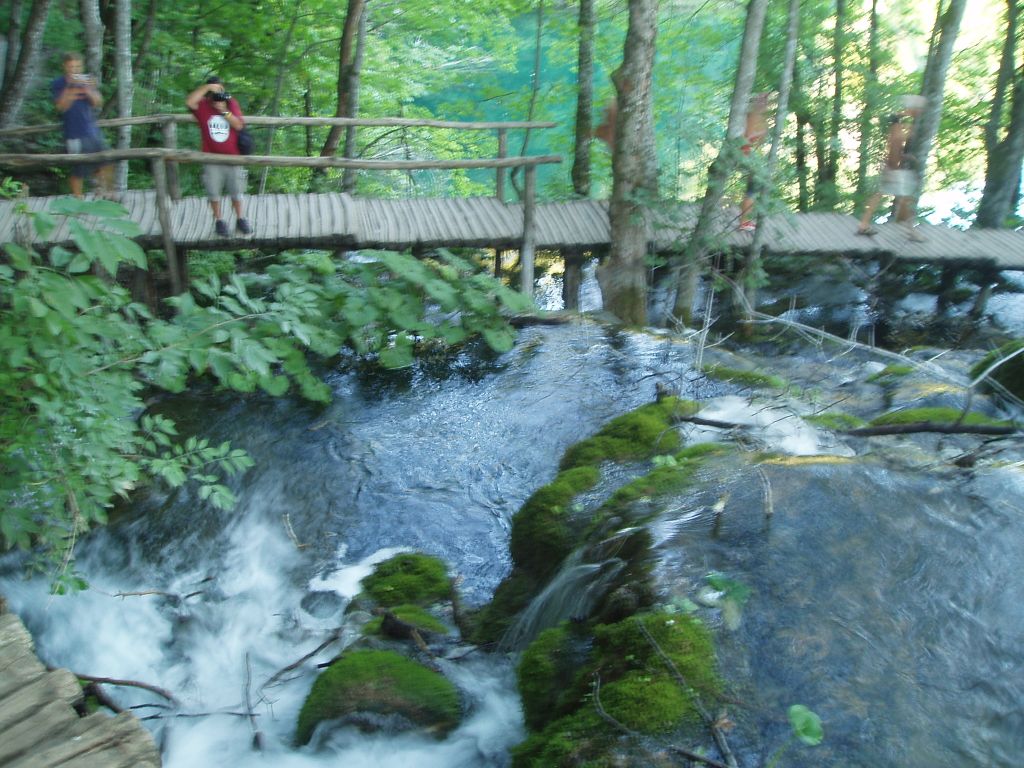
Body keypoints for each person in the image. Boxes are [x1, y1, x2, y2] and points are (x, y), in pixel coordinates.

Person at [186, 76, 252, 236]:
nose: (216, 94)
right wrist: (207, 88)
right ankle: (219, 221)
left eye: (219, 89)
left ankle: (240, 218)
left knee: (237, 191)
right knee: (213, 192)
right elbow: (189, 102)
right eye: (213, 91)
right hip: (211, 158)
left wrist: (223, 110)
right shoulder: (202, 106)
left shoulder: (230, 103)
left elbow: (238, 125)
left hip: (233, 157)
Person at [857, 95, 926, 242]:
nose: (920, 111)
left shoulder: (899, 123)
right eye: (918, 109)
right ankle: (911, 232)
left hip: (891, 168)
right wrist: (895, 168)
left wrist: (905, 157)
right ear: (912, 109)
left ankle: (863, 225)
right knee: (904, 199)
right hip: (894, 169)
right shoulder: (897, 127)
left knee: (888, 196)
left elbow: (895, 148)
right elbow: (894, 148)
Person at [51, 52, 113, 198]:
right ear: (65, 67)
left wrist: (88, 88)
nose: (74, 70)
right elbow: (61, 107)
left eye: (77, 66)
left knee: (106, 161)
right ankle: (78, 199)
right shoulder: (58, 83)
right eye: (71, 67)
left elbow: (98, 102)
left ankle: (106, 194)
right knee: (79, 168)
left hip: (92, 130)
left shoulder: (86, 81)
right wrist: (71, 87)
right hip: (74, 133)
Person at [738, 92, 769, 232]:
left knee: (752, 188)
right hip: (745, 153)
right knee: (752, 188)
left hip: (747, 153)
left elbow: (760, 138)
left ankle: (746, 221)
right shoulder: (752, 116)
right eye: (763, 102)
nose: (765, 105)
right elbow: (750, 136)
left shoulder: (755, 116)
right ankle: (744, 222)